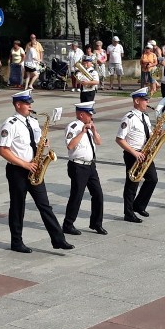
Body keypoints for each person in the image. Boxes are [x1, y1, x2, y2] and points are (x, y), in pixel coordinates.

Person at [0, 90, 73, 253]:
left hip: (35, 167)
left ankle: (58, 239)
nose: (30, 106)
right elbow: (3, 150)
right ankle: (16, 242)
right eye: (27, 103)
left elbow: (39, 141)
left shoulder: (32, 121)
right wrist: (25, 165)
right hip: (18, 170)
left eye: (30, 103)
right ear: (18, 105)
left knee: (45, 205)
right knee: (18, 207)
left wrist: (44, 142)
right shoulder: (10, 124)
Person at [61, 101, 105, 236]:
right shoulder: (73, 127)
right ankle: (68, 224)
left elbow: (99, 142)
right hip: (78, 166)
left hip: (90, 165)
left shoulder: (90, 127)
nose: (91, 117)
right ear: (81, 114)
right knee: (77, 195)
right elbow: (70, 146)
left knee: (98, 194)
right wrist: (82, 132)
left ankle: (96, 223)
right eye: (89, 114)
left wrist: (94, 130)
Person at [116, 87, 157, 222]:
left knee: (153, 179)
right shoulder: (129, 118)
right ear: (137, 100)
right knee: (132, 183)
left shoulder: (145, 117)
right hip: (133, 154)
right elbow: (119, 139)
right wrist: (134, 153)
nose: (147, 102)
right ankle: (128, 213)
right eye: (145, 100)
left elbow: (148, 134)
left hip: (145, 153)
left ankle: (139, 205)